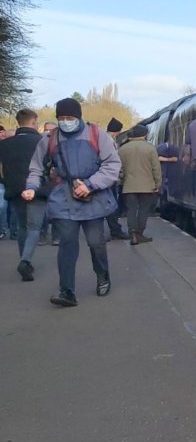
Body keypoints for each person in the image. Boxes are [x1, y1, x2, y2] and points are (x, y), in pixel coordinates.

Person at [23, 98, 122, 307]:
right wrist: (31, 187)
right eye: (61, 118)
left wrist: (91, 184)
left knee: (96, 242)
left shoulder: (97, 134)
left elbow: (112, 165)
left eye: (70, 118)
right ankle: (67, 290)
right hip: (63, 197)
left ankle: (103, 275)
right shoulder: (49, 139)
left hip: (93, 196)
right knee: (67, 243)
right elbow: (36, 168)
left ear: (79, 117)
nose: (66, 121)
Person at [0, 109, 47, 280]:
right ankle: (25, 261)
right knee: (34, 227)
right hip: (38, 188)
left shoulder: (5, 144)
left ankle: (24, 259)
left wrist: (7, 183)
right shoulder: (42, 141)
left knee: (22, 227)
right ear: (34, 122)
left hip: (15, 189)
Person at [117, 124, 161, 244]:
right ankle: (139, 233)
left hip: (129, 186)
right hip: (147, 186)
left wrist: (122, 179)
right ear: (145, 135)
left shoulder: (122, 149)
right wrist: (157, 184)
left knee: (131, 210)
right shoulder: (150, 148)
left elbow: (118, 169)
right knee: (143, 209)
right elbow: (156, 168)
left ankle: (132, 233)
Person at [104, 117, 130, 239]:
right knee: (112, 205)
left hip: (107, 177)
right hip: (110, 178)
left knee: (109, 204)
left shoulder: (104, 139)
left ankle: (115, 229)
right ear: (116, 131)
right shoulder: (109, 141)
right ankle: (115, 230)